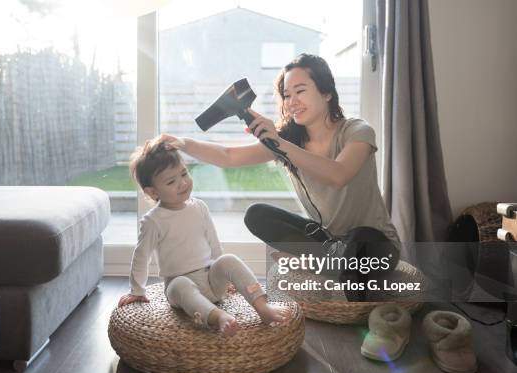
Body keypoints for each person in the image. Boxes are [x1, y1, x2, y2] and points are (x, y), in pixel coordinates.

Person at [158, 53, 400, 301]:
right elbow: (228, 156)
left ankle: (327, 269)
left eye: (300, 91)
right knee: (257, 214)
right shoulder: (288, 141)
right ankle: (327, 262)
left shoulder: (357, 131)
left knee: (358, 240)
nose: (292, 101)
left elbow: (338, 175)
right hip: (327, 242)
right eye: (286, 95)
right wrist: (183, 143)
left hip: (375, 242)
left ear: (327, 92)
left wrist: (280, 144)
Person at [118, 139, 290, 336]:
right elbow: (141, 257)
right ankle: (218, 317)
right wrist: (137, 291)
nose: (182, 183)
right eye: (171, 181)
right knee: (180, 285)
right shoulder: (153, 221)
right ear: (152, 191)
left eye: (184, 173)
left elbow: (214, 243)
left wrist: (226, 275)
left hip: (211, 280)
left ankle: (263, 307)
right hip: (180, 287)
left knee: (229, 260)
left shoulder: (199, 207)